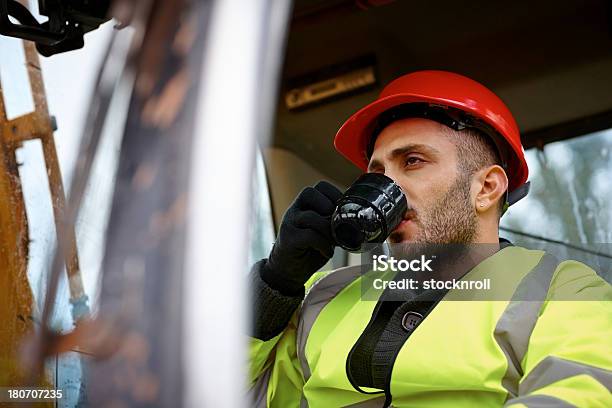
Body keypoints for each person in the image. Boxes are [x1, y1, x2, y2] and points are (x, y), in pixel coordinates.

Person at [248, 71, 612, 407]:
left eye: (413, 161)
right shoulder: (325, 297)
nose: (387, 186)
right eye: (377, 172)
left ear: (486, 188)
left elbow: (582, 395)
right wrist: (274, 285)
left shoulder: (564, 292)